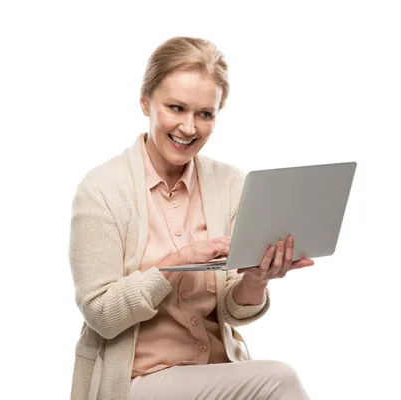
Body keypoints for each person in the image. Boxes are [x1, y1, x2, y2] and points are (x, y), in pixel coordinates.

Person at [69, 36, 315, 400]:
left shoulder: (229, 183)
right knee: (279, 381)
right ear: (145, 103)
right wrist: (176, 264)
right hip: (137, 381)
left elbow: (231, 310)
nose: (189, 128)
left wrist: (257, 280)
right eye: (176, 108)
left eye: (204, 114)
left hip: (216, 374)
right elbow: (101, 314)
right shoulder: (102, 189)